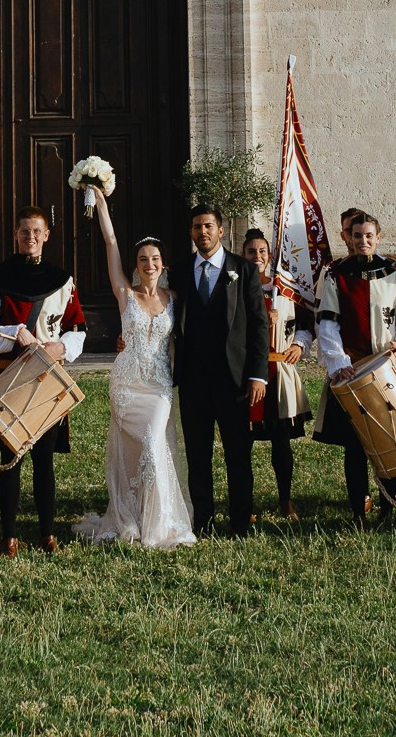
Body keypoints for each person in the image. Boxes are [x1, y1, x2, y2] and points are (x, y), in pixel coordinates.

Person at [72, 187, 194, 548]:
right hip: (126, 385)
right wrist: (101, 199)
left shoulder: (175, 298)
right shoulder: (125, 294)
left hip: (158, 387)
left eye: (155, 258)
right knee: (131, 456)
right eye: (143, 259)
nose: (149, 264)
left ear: (164, 264)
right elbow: (110, 241)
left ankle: (159, 522)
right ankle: (130, 517)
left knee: (155, 447)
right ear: (135, 265)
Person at [0, 206, 86, 555]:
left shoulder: (62, 280)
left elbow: (77, 329)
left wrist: (60, 346)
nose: (30, 237)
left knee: (44, 459)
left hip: (46, 380)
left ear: (46, 236)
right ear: (16, 236)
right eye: (24, 232)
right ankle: (9, 534)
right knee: (10, 458)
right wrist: (13, 332)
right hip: (10, 377)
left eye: (36, 231)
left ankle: (47, 533)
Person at [169, 202, 268, 539]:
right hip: (193, 380)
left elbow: (258, 324)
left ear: (221, 230)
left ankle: (241, 522)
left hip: (235, 380)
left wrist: (258, 374)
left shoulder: (244, 270)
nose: (203, 232)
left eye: (208, 226)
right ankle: (203, 521)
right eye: (197, 227)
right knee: (198, 455)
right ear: (191, 232)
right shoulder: (179, 272)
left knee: (238, 453)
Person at [312, 208, 396, 525]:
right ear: (349, 238)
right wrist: (339, 363)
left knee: (388, 439)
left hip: (385, 369)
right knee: (355, 445)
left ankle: (387, 507)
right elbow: (327, 324)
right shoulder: (335, 274)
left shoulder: (394, 274)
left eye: (369, 236)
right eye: (357, 236)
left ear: (378, 238)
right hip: (352, 370)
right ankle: (357, 509)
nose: (363, 241)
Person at [239, 228, 308, 521]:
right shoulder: (236, 287)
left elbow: (306, 323)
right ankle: (245, 503)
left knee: (281, 440)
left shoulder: (284, 288)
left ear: (270, 256)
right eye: (252, 252)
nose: (258, 257)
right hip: (247, 374)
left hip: (278, 371)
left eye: (262, 252)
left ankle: (285, 500)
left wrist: (298, 344)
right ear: (243, 256)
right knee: (242, 443)